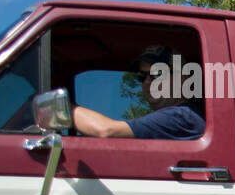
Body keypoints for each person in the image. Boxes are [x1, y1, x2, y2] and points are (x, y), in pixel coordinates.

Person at [72, 45, 206, 140]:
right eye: (141, 75)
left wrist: (62, 110)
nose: (147, 81)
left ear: (182, 79)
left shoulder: (181, 116)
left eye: (157, 73)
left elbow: (105, 130)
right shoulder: (176, 118)